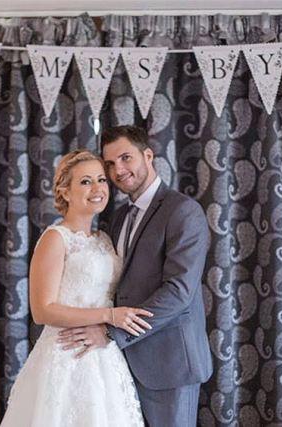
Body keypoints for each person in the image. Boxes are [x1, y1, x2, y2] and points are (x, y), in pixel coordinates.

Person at [58, 125, 213, 427]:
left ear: (148, 155)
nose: (119, 170)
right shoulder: (116, 217)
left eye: (126, 158)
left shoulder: (182, 211)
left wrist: (110, 333)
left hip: (169, 365)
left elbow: (179, 292)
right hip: (119, 366)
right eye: (111, 164)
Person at [0, 150, 152, 427]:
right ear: (65, 192)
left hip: (104, 356)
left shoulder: (105, 239)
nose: (97, 189)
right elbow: (42, 310)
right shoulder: (55, 238)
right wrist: (109, 315)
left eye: (101, 180)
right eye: (85, 182)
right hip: (65, 355)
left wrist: (109, 323)